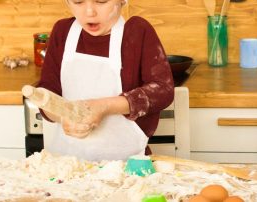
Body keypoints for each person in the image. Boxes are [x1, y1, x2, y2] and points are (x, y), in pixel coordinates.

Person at [37, 0, 174, 161]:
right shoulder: (62, 32)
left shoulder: (137, 32)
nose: (89, 12)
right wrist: (63, 116)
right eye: (78, 1)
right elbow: (46, 93)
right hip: (68, 167)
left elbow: (163, 90)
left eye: (101, 1)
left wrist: (104, 106)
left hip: (125, 168)